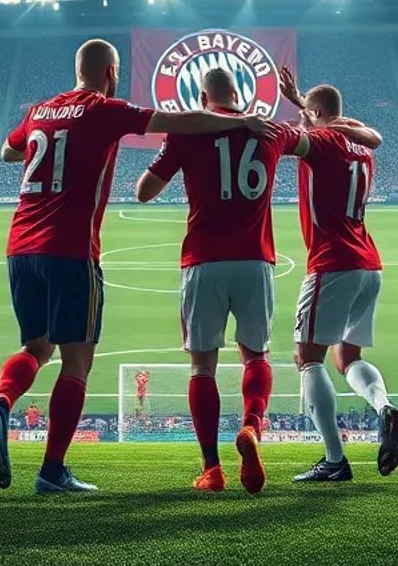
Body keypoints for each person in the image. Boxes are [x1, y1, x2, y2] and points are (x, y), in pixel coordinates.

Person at [0, 38, 275, 495]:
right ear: (111, 73)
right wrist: (238, 119)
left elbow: (7, 152)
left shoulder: (40, 110)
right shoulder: (103, 109)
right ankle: (51, 471)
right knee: (76, 363)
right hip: (71, 249)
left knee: (36, 347)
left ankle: (2, 403)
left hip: (20, 247)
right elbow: (177, 120)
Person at [136, 65, 305, 493]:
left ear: (201, 99)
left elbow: (144, 190)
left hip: (204, 259)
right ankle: (251, 426)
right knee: (256, 356)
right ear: (240, 94)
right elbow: (313, 140)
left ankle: (212, 469)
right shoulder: (272, 131)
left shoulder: (187, 131)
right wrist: (301, 105)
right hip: (256, 260)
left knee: (202, 366)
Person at [276, 67, 398, 483]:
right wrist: (301, 104)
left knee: (306, 359)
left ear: (315, 115)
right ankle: (384, 407)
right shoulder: (359, 146)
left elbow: (292, 139)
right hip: (369, 264)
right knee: (347, 357)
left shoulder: (324, 142)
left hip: (332, 263)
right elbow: (333, 126)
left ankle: (335, 460)